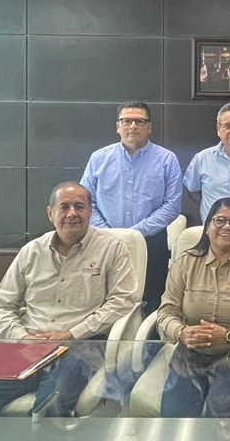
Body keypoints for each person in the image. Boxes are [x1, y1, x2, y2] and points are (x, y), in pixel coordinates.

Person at [0, 182, 138, 417]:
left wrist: (72, 333)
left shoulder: (112, 249)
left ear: (90, 211)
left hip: (80, 347)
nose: (72, 213)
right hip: (26, 347)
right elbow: (1, 305)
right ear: (50, 213)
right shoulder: (32, 251)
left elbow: (122, 301)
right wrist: (22, 337)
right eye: (64, 207)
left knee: (49, 409)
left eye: (79, 206)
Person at [157, 197, 230, 417]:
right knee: (176, 414)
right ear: (207, 226)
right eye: (220, 220)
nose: (226, 226)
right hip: (191, 350)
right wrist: (182, 332)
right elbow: (166, 311)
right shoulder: (186, 261)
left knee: (221, 410)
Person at [80, 101, 181, 314]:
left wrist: (135, 234)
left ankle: (149, 336)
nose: (133, 126)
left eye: (140, 121)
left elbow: (172, 205)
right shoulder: (99, 158)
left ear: (149, 127)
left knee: (152, 302)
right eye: (127, 121)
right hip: (104, 241)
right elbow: (86, 202)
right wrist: (110, 233)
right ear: (118, 126)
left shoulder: (167, 159)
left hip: (151, 242)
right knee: (103, 300)